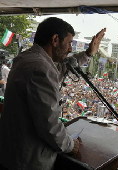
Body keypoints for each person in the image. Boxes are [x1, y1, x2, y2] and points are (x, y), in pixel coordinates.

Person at [0, 17, 106, 170]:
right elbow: (50, 125)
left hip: (12, 153)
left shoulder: (27, 58)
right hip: (28, 161)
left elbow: (61, 68)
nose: (70, 49)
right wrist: (71, 145)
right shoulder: (40, 68)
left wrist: (88, 54)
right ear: (55, 39)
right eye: (69, 43)